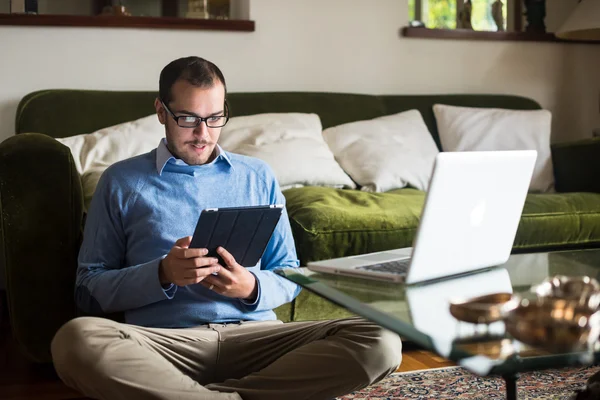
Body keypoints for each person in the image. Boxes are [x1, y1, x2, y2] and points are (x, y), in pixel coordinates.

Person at [50, 56, 403, 400]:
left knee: (382, 340)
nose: (203, 134)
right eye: (188, 118)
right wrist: (162, 273)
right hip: (166, 344)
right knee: (75, 340)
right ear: (161, 111)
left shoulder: (257, 175)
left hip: (257, 339)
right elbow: (88, 289)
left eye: (215, 117)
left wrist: (250, 286)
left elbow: (290, 273)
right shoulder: (120, 181)